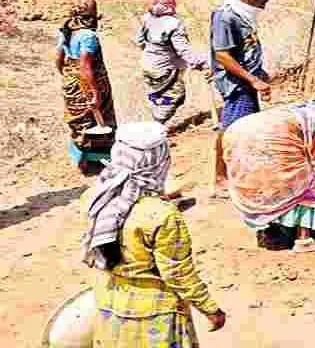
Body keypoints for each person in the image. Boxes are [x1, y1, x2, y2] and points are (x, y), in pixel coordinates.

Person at [83, 122, 226, 347]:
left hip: (110, 307)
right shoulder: (162, 215)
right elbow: (177, 274)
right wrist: (211, 309)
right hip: (155, 316)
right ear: (159, 162)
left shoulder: (98, 198)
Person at [223, 100, 315, 251]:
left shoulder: (291, 113)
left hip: (235, 132)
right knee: (303, 183)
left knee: (265, 179)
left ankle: (272, 231)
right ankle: (304, 239)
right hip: (270, 134)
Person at [209, 0, 275, 193]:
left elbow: (247, 50)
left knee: (247, 130)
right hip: (235, 84)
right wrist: (252, 79)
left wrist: (260, 75)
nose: (263, 8)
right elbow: (222, 55)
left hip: (246, 81)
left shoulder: (242, 16)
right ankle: (220, 178)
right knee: (230, 130)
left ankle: (242, 172)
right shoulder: (226, 17)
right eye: (261, 3)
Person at [55, 0, 118, 176]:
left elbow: (58, 60)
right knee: (98, 120)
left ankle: (80, 158)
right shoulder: (88, 36)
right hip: (90, 82)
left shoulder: (66, 31)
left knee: (79, 121)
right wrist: (94, 91)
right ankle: (96, 164)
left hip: (72, 83)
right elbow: (85, 65)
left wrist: (69, 77)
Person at [135, 0, 209, 124]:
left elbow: (140, 41)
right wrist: (199, 62)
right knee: (174, 96)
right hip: (166, 68)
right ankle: (157, 125)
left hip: (148, 64)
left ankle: (155, 120)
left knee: (156, 94)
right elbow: (182, 49)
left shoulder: (146, 18)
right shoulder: (173, 24)